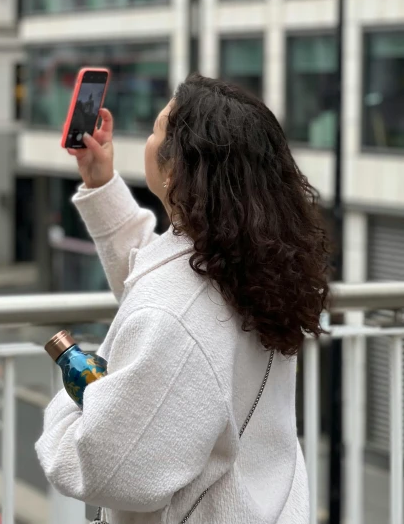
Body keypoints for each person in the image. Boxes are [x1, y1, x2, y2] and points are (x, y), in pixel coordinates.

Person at [36, 74, 331, 524]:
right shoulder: (250, 264)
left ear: (177, 169)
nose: (149, 140)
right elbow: (155, 278)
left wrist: (75, 404)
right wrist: (101, 183)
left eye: (156, 130)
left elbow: (106, 468)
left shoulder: (176, 310)